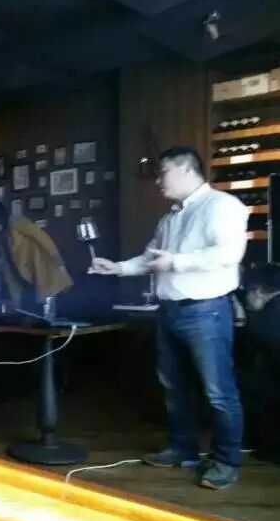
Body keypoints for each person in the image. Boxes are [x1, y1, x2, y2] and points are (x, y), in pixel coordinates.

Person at [90, 146, 249, 489]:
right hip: (169, 312)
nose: (158, 180)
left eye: (163, 172)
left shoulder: (222, 205)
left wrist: (175, 262)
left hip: (206, 311)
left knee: (218, 391)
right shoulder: (169, 219)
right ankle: (182, 449)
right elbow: (151, 258)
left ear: (187, 170)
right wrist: (117, 268)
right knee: (174, 388)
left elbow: (229, 253)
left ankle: (226, 461)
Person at [0, 200, 72, 313]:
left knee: (49, 313)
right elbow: (8, 270)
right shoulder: (1, 239)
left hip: (44, 275)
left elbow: (45, 240)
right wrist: (13, 300)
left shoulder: (19, 224)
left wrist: (60, 264)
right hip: (27, 282)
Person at [238, 264, 280, 460]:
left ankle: (262, 441)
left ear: (258, 291)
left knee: (231, 380)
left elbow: (251, 341)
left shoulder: (266, 321)